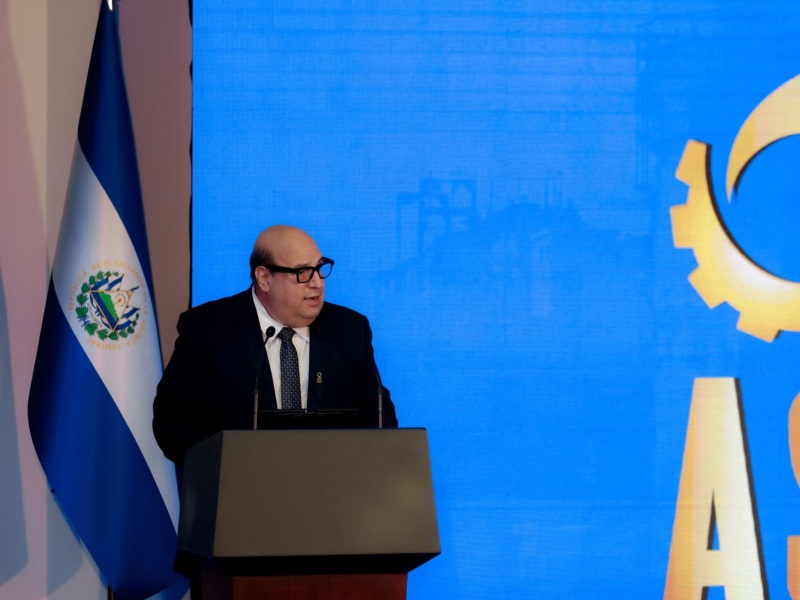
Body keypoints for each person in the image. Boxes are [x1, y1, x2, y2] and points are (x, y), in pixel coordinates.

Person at [152, 225, 397, 469]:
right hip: (236, 492)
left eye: (320, 269)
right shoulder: (207, 329)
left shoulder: (349, 330)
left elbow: (379, 416)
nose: (317, 283)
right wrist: (226, 469)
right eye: (302, 272)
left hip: (330, 489)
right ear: (264, 278)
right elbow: (173, 422)